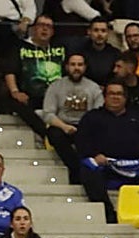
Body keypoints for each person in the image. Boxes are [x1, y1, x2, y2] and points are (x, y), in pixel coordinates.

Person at [75, 81, 139, 225]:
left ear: (126, 98)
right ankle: (108, 213)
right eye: (111, 94)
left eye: (119, 94)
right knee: (88, 172)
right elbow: (82, 142)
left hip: (137, 168)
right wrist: (95, 155)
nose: (115, 97)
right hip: (105, 166)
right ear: (105, 96)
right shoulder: (92, 117)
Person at [42, 52, 103, 182]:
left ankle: (80, 172)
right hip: (62, 126)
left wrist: (84, 128)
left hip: (86, 127)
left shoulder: (93, 88)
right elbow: (48, 114)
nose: (76, 68)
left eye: (80, 65)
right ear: (66, 67)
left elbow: (98, 114)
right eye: (73, 64)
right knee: (53, 133)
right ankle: (77, 169)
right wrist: (64, 127)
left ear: (85, 67)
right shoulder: (55, 86)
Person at [1, 16, 65, 140]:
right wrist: (15, 91)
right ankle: (46, 134)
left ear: (53, 32)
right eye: (41, 25)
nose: (45, 29)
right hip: (30, 96)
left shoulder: (61, 48)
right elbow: (10, 71)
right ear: (34, 29)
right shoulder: (20, 47)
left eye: (49, 26)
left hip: (56, 97)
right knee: (15, 102)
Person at [75, 19, 120, 86]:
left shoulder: (116, 54)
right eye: (96, 30)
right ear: (89, 32)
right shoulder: (79, 53)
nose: (99, 34)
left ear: (108, 33)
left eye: (103, 31)